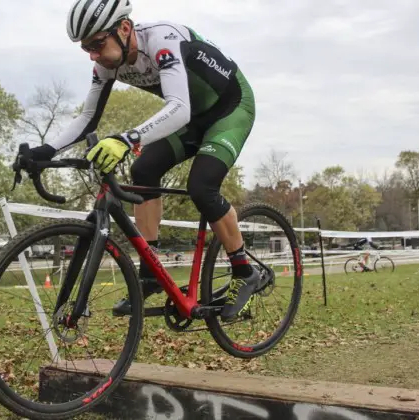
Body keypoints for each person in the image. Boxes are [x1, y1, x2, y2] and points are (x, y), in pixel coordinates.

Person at [25, 0, 258, 320]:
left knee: (201, 187)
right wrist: (45, 151)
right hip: (191, 119)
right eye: (85, 49)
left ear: (123, 29)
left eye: (96, 44)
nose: (93, 55)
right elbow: (88, 119)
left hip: (230, 110)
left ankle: (245, 272)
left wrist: (128, 139)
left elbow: (179, 107)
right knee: (144, 169)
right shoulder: (107, 64)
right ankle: (151, 274)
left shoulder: (163, 41)